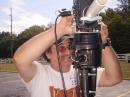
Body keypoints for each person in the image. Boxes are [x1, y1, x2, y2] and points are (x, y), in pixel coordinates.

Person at [13, 16, 122, 97]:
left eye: (70, 46)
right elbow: (20, 59)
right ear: (48, 53)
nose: (68, 52)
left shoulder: (83, 71)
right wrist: (59, 30)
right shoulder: (39, 74)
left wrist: (104, 42)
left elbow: (115, 78)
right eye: (61, 48)